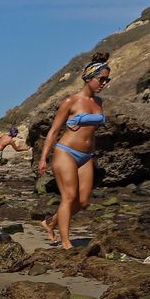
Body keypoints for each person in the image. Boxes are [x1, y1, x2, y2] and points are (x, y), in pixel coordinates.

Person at [36, 53, 111, 249]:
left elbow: (91, 132)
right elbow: (53, 131)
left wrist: (92, 151)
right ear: (88, 77)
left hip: (86, 157)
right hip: (66, 152)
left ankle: (50, 223)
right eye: (101, 79)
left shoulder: (99, 102)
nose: (104, 83)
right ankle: (66, 243)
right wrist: (43, 158)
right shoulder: (71, 101)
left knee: (83, 201)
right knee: (69, 197)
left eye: (107, 80)